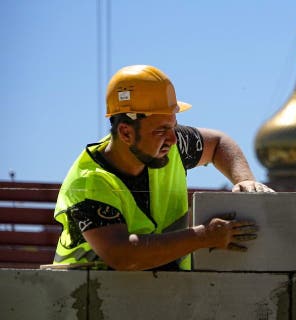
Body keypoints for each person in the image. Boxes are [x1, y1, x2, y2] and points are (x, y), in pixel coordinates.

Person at [52, 64, 273, 271]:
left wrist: (245, 180)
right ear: (126, 133)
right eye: (161, 130)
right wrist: (204, 236)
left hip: (161, 296)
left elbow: (217, 143)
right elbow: (122, 255)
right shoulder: (89, 182)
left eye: (173, 126)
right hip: (85, 299)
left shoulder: (169, 146)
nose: (173, 139)